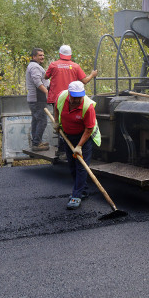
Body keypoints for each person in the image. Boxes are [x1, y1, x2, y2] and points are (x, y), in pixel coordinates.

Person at [53, 81, 101, 210]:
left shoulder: (87, 106)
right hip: (68, 136)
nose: (77, 100)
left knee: (81, 167)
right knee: (72, 166)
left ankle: (76, 196)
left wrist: (79, 146)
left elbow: (89, 129)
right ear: (69, 94)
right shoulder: (61, 97)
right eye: (74, 97)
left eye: (79, 97)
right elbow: (56, 108)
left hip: (84, 138)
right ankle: (83, 191)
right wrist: (56, 121)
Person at [25, 48, 49, 151]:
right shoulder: (35, 67)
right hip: (37, 99)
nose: (42, 57)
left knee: (36, 120)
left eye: (43, 55)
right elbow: (38, 82)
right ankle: (36, 143)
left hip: (34, 99)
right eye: (40, 55)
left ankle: (36, 141)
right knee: (42, 121)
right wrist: (47, 92)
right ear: (34, 57)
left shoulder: (33, 66)